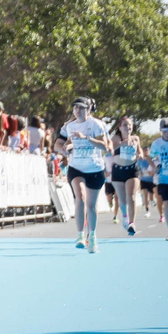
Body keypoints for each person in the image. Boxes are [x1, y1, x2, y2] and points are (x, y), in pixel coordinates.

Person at [56, 97, 112, 252]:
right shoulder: (70, 126)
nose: (77, 111)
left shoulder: (96, 124)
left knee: (91, 206)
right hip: (76, 167)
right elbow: (66, 143)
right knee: (80, 197)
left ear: (88, 109)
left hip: (94, 168)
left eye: (81, 108)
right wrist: (65, 148)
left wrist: (86, 138)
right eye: (75, 108)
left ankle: (92, 236)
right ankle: (80, 235)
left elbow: (104, 146)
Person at [108, 115, 143, 234]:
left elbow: (140, 151)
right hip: (118, 171)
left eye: (129, 125)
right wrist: (123, 143)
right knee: (122, 200)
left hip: (132, 170)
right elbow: (112, 147)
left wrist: (141, 155)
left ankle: (132, 223)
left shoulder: (135, 139)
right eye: (125, 125)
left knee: (131, 196)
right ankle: (124, 216)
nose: (127, 127)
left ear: (132, 127)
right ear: (120, 127)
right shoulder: (115, 137)